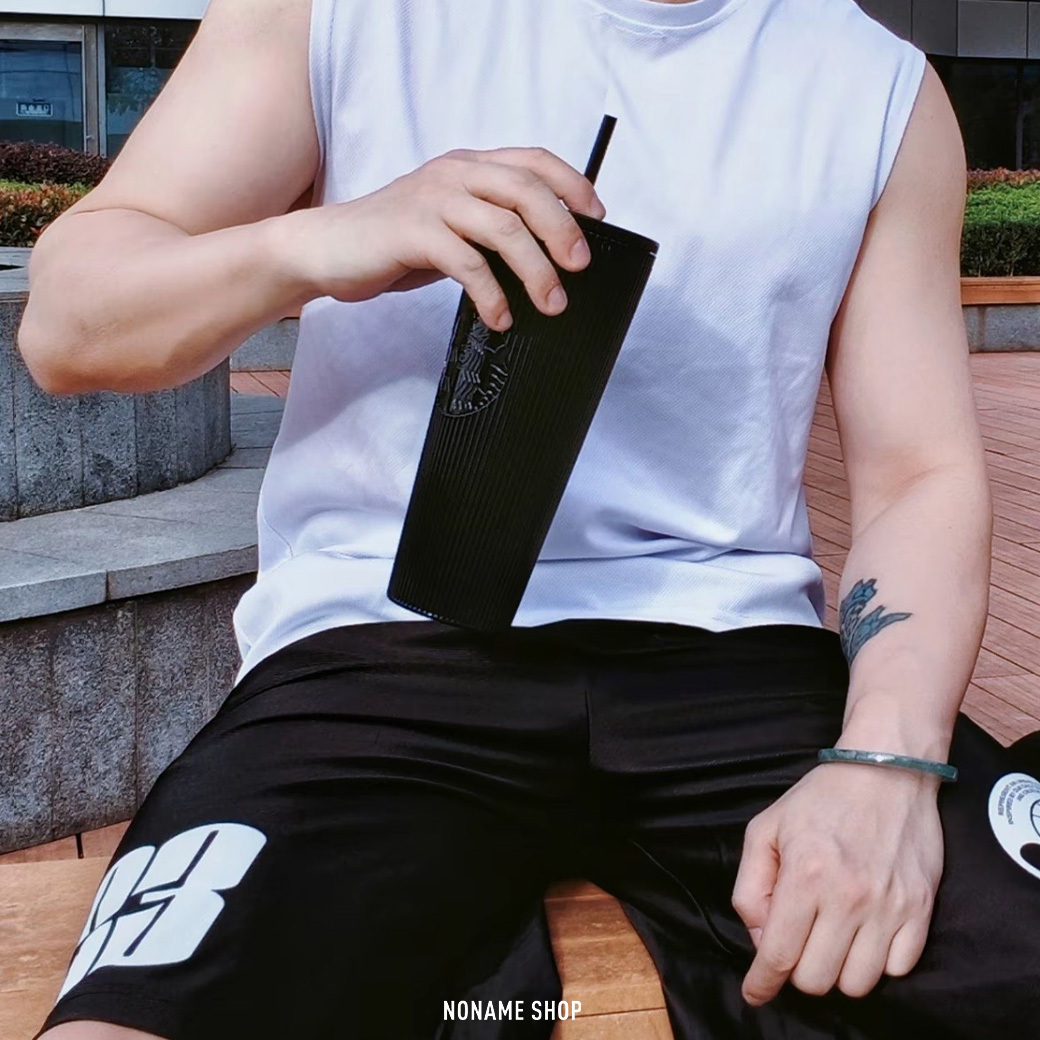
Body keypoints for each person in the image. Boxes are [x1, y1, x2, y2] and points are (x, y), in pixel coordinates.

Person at [17, 0, 1039, 1037]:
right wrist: (326, 235)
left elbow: (919, 474)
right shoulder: (335, 14)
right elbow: (66, 325)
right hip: (381, 651)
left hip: (733, 657)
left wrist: (886, 760)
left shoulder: (877, 87)